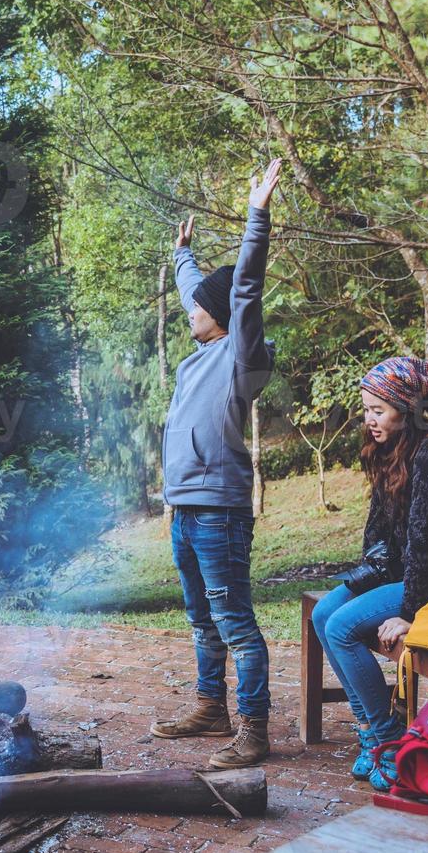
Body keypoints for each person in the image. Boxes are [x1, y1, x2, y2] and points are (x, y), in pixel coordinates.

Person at [149, 158, 282, 769]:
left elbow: (244, 288)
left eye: (200, 306)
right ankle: (211, 707)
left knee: (233, 622)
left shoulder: (240, 357)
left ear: (222, 315)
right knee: (202, 619)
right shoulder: (199, 352)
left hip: (219, 513)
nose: (189, 311)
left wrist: (257, 215)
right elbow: (196, 292)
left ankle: (253, 729)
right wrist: (183, 256)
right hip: (185, 509)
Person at [311, 357, 428, 790]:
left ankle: (390, 739)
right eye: (366, 409)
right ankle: (371, 731)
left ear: (407, 408)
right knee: (324, 614)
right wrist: (362, 579)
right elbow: (378, 533)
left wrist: (414, 611)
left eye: (378, 410)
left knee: (341, 628)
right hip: (405, 570)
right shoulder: (388, 448)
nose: (369, 419)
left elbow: (427, 540)